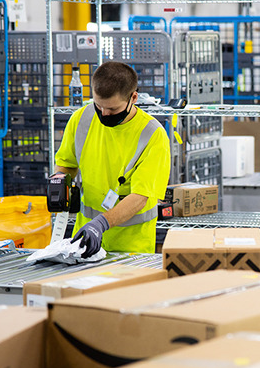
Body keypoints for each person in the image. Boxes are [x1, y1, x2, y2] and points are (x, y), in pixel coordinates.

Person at [52, 61, 171, 257]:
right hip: (85, 243)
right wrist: (60, 182)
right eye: (98, 105)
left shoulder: (152, 135)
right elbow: (66, 164)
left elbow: (140, 197)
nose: (104, 114)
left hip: (132, 248)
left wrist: (100, 223)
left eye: (113, 109)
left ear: (133, 97)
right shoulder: (81, 119)